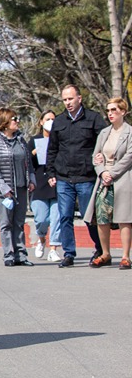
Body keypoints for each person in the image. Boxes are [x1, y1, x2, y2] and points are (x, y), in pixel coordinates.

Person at [46, 84, 108, 268]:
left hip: (86, 178)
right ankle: (69, 254)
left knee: (90, 217)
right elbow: (52, 149)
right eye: (64, 100)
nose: (68, 103)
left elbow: (105, 142)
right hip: (64, 178)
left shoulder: (93, 118)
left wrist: (102, 160)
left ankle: (100, 249)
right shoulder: (59, 121)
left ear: (79, 98)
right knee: (65, 217)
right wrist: (51, 172)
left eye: (70, 99)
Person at [83, 98, 132, 268]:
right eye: (108, 110)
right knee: (101, 216)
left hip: (123, 178)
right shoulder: (104, 133)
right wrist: (102, 172)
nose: (110, 113)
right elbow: (96, 156)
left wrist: (111, 173)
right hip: (104, 180)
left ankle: (125, 256)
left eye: (114, 110)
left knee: (125, 217)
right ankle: (105, 254)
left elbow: (129, 157)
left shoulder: (129, 132)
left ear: (123, 112)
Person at [0, 108, 36, 267]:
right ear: (5, 123)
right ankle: (9, 255)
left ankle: (21, 255)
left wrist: (31, 180)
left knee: (19, 222)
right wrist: (3, 187)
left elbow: (28, 162)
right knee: (6, 223)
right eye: (14, 119)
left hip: (21, 187)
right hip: (5, 191)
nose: (17, 121)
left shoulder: (21, 140)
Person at [29, 110, 62, 263]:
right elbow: (26, 161)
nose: (50, 122)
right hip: (40, 184)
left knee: (56, 218)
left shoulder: (60, 139)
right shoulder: (34, 140)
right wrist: (34, 153)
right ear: (41, 122)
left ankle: (54, 248)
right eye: (47, 119)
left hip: (56, 182)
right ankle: (41, 239)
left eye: (53, 119)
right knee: (41, 218)